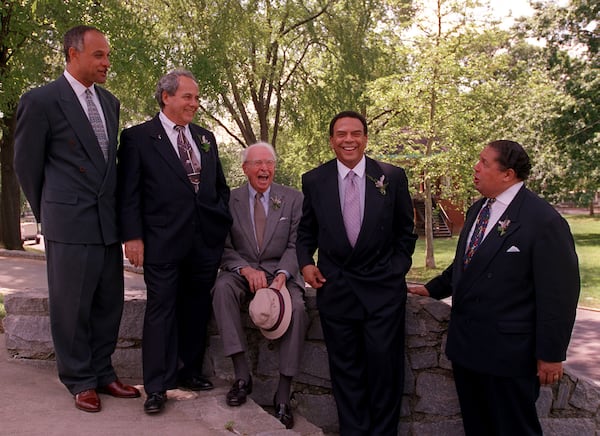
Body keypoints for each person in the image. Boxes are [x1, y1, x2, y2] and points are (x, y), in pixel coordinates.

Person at [409, 140, 580, 435]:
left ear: (508, 174)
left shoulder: (543, 221)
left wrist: (552, 353)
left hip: (509, 356)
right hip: (468, 350)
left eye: (484, 163)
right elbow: (466, 264)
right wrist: (432, 289)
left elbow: (559, 294)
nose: (476, 167)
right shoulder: (478, 210)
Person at [13, 25, 140, 413]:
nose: (106, 63)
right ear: (72, 54)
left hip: (105, 222)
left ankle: (102, 372)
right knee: (71, 307)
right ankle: (79, 379)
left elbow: (109, 167)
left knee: (108, 304)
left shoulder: (110, 102)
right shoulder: (41, 100)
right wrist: (51, 212)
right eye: (99, 55)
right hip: (69, 223)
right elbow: (26, 166)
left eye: (107, 56)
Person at [117, 69, 232, 415]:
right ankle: (156, 386)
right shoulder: (138, 137)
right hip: (161, 241)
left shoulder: (206, 137)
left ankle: (188, 372)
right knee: (161, 310)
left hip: (204, 242)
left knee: (196, 308)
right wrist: (133, 236)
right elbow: (129, 193)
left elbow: (219, 187)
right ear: (166, 97)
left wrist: (218, 219)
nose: (195, 104)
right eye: (188, 97)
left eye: (196, 98)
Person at [296, 111, 417, 435]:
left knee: (384, 371)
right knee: (345, 373)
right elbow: (306, 232)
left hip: (383, 293)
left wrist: (395, 271)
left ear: (365, 138)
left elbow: (406, 233)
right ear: (332, 139)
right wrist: (306, 262)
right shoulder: (314, 180)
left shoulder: (391, 176)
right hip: (337, 291)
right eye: (341, 134)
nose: (348, 139)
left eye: (355, 133)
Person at [212, 142, 308, 429]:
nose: (264, 168)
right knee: (221, 290)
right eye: (257, 163)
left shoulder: (293, 199)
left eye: (269, 163)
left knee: (300, 309)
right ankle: (242, 375)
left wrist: (282, 275)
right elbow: (223, 246)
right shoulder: (229, 199)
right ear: (245, 169)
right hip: (242, 270)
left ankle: (283, 393)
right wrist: (243, 268)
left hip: (282, 273)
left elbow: (296, 245)